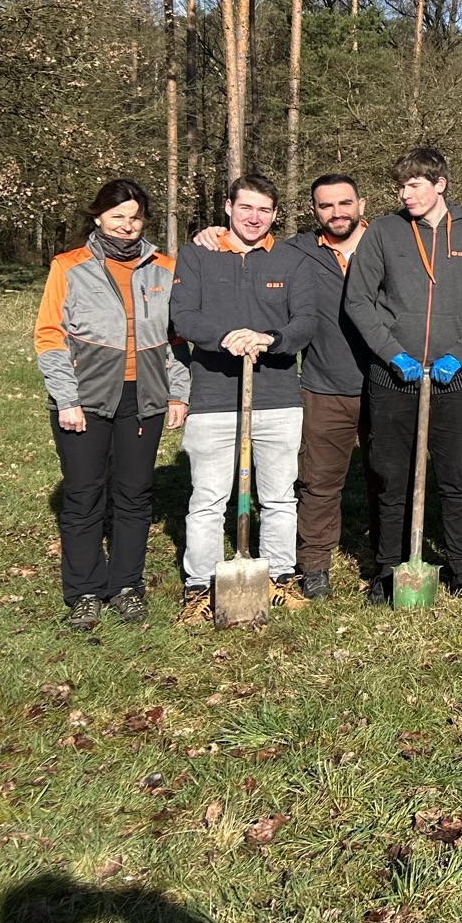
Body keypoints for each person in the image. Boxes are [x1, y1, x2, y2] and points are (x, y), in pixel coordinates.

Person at [344, 146, 462, 602]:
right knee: (390, 475)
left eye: (414, 185)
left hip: (455, 380)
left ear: (439, 184)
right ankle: (388, 570)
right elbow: (358, 301)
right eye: (400, 186)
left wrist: (459, 356)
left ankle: (461, 568)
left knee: (459, 475)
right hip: (393, 379)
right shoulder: (382, 232)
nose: (405, 194)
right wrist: (391, 354)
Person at [35, 180, 188, 629]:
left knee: (134, 494)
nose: (127, 225)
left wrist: (178, 392)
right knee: (83, 496)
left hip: (144, 398)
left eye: (135, 216)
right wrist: (66, 397)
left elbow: (176, 338)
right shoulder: (69, 266)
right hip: (83, 399)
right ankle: (83, 589)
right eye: (118, 216)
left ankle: (126, 585)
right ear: (98, 217)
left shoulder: (165, 267)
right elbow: (49, 335)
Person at [168, 173, 319, 617]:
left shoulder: (290, 261)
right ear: (229, 207)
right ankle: (199, 584)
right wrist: (225, 337)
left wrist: (271, 339)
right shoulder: (198, 255)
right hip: (214, 396)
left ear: (275, 214)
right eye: (246, 207)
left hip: (276, 396)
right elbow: (183, 316)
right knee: (208, 497)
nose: (255, 218)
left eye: (264, 210)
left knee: (278, 496)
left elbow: (306, 320)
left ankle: (279, 576)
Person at [284, 174, 378, 600]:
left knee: (388, 478)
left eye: (345, 203)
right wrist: (211, 234)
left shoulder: (391, 243)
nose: (337, 213)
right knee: (319, 481)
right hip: (325, 385)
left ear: (361, 203)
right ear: (314, 211)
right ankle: (315, 563)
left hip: (388, 384)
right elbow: (243, 250)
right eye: (326, 206)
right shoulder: (296, 251)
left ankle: (387, 558)